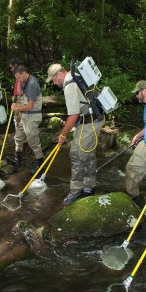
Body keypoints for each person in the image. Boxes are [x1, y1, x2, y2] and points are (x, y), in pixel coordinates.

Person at [46, 63, 103, 205]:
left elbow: (73, 115)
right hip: (94, 119)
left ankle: (76, 191)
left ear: (59, 74)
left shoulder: (70, 85)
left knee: (76, 154)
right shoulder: (78, 76)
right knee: (88, 154)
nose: (54, 83)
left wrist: (63, 134)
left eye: (53, 80)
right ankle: (89, 188)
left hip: (89, 123)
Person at [6, 65, 44, 174]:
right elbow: (19, 93)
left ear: (23, 73)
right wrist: (19, 82)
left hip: (32, 116)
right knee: (18, 136)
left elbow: (30, 106)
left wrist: (16, 108)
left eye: (19, 78)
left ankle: (40, 164)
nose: (18, 80)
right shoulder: (26, 81)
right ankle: (17, 159)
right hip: (26, 115)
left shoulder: (32, 84)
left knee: (33, 141)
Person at [6, 58, 26, 168]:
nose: (11, 70)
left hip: (21, 106)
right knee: (18, 130)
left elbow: (20, 92)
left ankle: (18, 159)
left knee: (20, 131)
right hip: (17, 104)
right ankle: (17, 157)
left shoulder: (21, 77)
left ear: (16, 65)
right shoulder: (19, 77)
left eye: (11, 67)